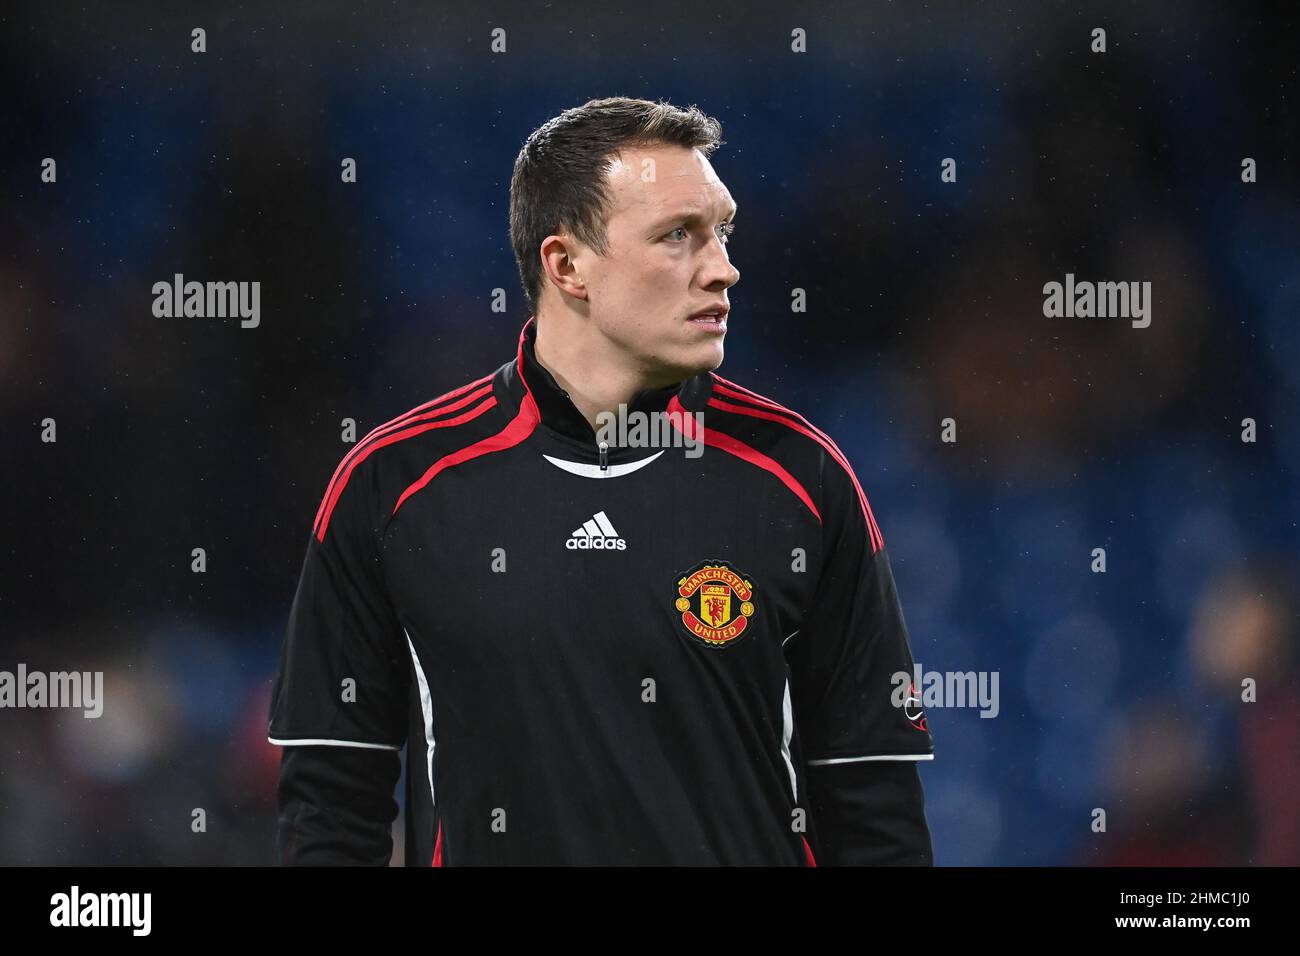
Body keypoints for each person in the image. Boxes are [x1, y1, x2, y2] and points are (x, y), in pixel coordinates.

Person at [268, 96, 934, 865]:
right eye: (678, 236)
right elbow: (330, 801)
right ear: (567, 265)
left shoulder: (802, 477)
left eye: (722, 231)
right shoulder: (394, 485)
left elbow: (873, 801)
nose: (724, 267)